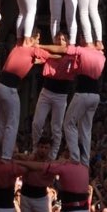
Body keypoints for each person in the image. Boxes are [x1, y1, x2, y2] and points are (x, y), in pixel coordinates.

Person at [0, 38, 53, 161]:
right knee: (12, 124)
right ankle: (6, 156)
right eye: (37, 38)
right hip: (9, 87)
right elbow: (52, 56)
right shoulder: (31, 50)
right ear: (33, 39)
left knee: (2, 124)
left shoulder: (18, 47)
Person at [31, 32, 77, 160]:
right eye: (58, 38)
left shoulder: (71, 56)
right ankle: (35, 148)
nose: (60, 41)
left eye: (63, 39)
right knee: (37, 123)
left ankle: (52, 155)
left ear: (67, 42)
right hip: (46, 92)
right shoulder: (49, 53)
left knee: (56, 127)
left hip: (61, 96)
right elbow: (39, 58)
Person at [63, 43, 105, 167]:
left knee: (69, 123)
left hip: (83, 94)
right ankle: (85, 162)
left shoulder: (83, 52)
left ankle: (75, 157)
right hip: (95, 96)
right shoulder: (100, 55)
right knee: (86, 129)